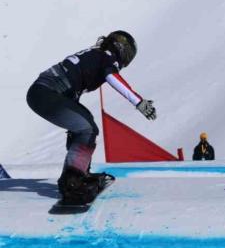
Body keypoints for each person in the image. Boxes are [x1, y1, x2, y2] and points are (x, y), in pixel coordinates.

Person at [26, 31, 156, 204]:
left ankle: (77, 174)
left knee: (85, 124)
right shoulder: (106, 57)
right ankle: (73, 183)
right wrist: (138, 101)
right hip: (46, 92)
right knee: (87, 129)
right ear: (121, 49)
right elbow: (112, 77)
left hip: (43, 92)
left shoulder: (96, 54)